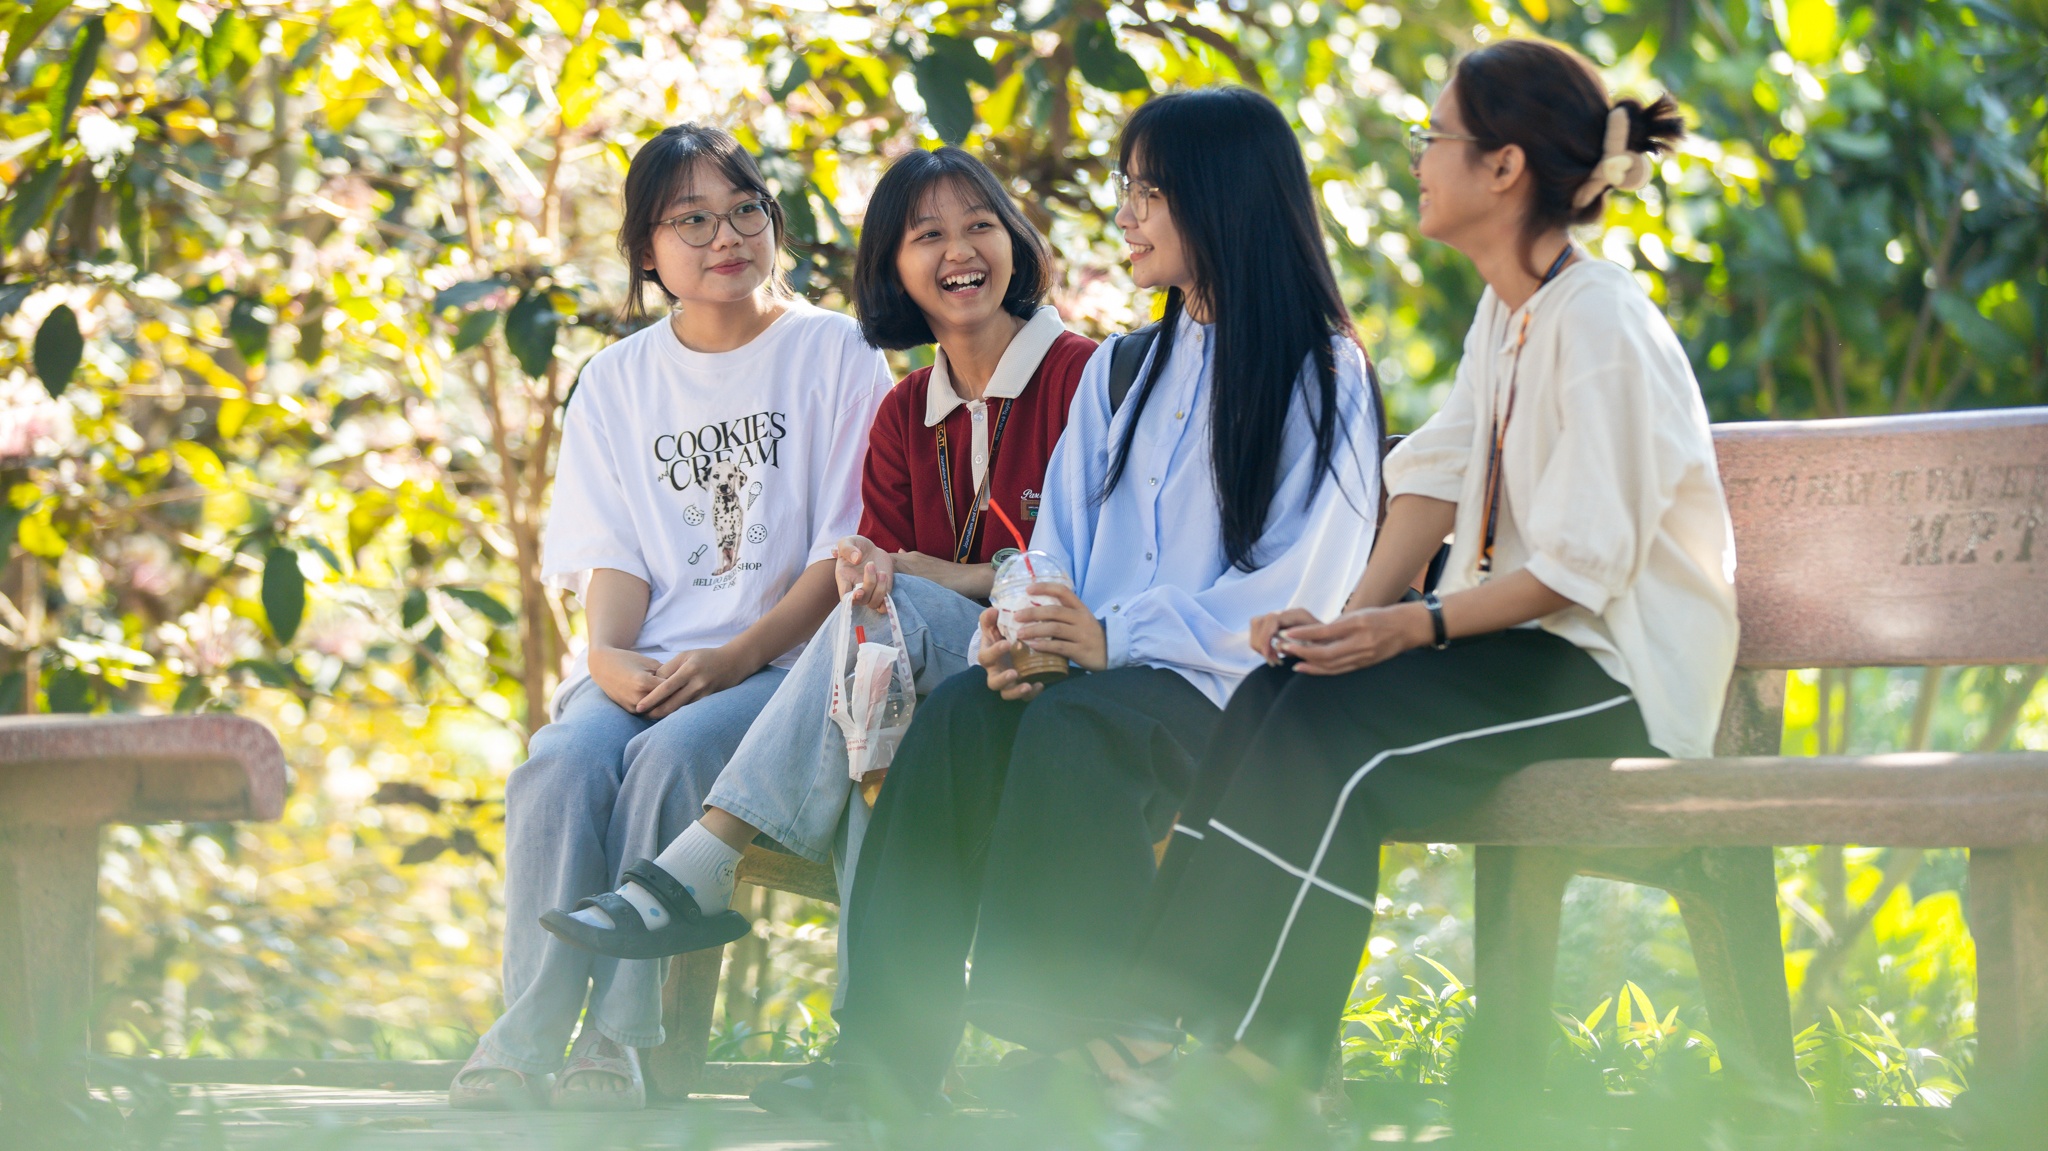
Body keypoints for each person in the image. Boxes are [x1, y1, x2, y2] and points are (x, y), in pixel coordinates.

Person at [1115, 38, 1739, 1090]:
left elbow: (1585, 568)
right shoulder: (1508, 311)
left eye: (1432, 137)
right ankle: (1172, 1029)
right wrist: (1340, 624)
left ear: (1501, 167)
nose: (1415, 159)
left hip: (1615, 679)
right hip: (1521, 656)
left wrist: (1411, 626)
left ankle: (1270, 1065)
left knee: (1337, 737)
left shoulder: (1599, 322)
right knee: (1288, 686)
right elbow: (1434, 478)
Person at [753, 87, 1386, 1118]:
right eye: (1124, 190)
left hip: (1235, 698)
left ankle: (1094, 1041)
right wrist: (1020, 626)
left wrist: (1106, 638)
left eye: (1147, 192)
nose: (1126, 215)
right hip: (1100, 681)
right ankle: (880, 1066)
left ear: (1220, 200)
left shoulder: (1320, 372)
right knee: (961, 713)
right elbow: (1051, 550)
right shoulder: (1125, 370)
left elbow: (1292, 592)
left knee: (1080, 721)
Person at [541, 146, 1095, 964]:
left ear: (1017, 240)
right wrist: (879, 571)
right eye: (926, 236)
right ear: (892, 269)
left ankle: (693, 872)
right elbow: (876, 558)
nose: (959, 252)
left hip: (1051, 660)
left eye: (980, 225)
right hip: (926, 678)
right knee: (873, 678)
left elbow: (1095, 559)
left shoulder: (1088, 376)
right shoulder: (908, 411)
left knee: (875, 636)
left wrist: (933, 575)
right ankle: (862, 1058)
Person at [448, 124, 892, 1111]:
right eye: (690, 218)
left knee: (665, 756)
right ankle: (524, 1030)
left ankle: (619, 1038)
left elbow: (839, 552)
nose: (724, 234)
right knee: (558, 760)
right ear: (647, 250)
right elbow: (617, 557)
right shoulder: (616, 380)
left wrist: (734, 656)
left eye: (743, 210)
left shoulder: (836, 353)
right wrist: (605, 658)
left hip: (782, 670)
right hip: (652, 660)